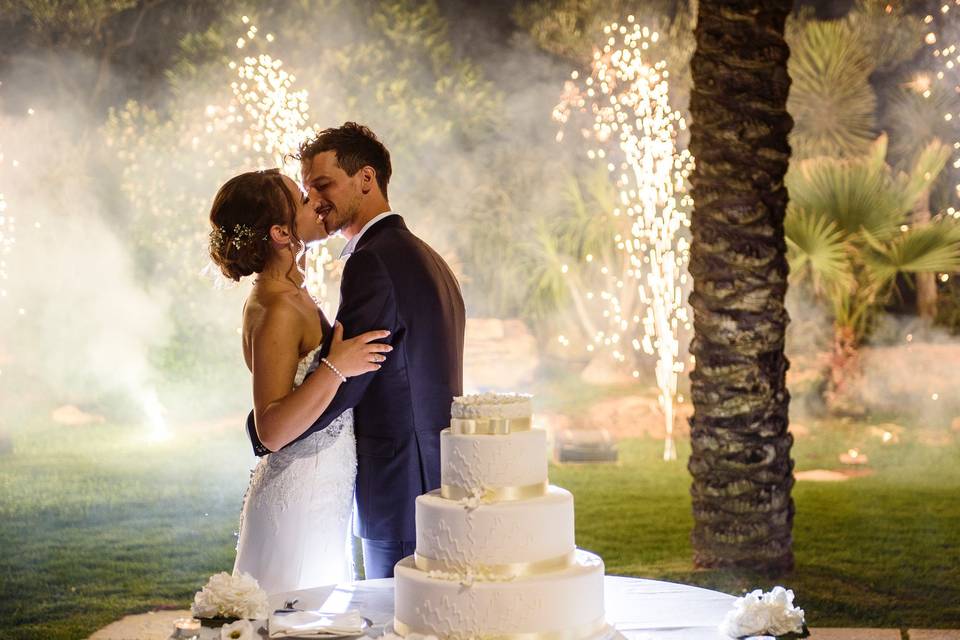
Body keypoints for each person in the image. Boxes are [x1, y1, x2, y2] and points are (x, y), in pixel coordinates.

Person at [245, 123, 466, 579]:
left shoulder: (373, 261)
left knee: (396, 616)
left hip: (399, 485)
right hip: (432, 476)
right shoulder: (425, 255)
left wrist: (268, 431)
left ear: (366, 178)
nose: (315, 200)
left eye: (322, 185)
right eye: (307, 191)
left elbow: (349, 380)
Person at [207, 168, 392, 594]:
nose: (316, 201)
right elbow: (270, 429)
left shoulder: (289, 290)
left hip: (320, 488)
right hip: (299, 497)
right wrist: (336, 367)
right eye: (304, 201)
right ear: (279, 232)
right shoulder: (277, 308)